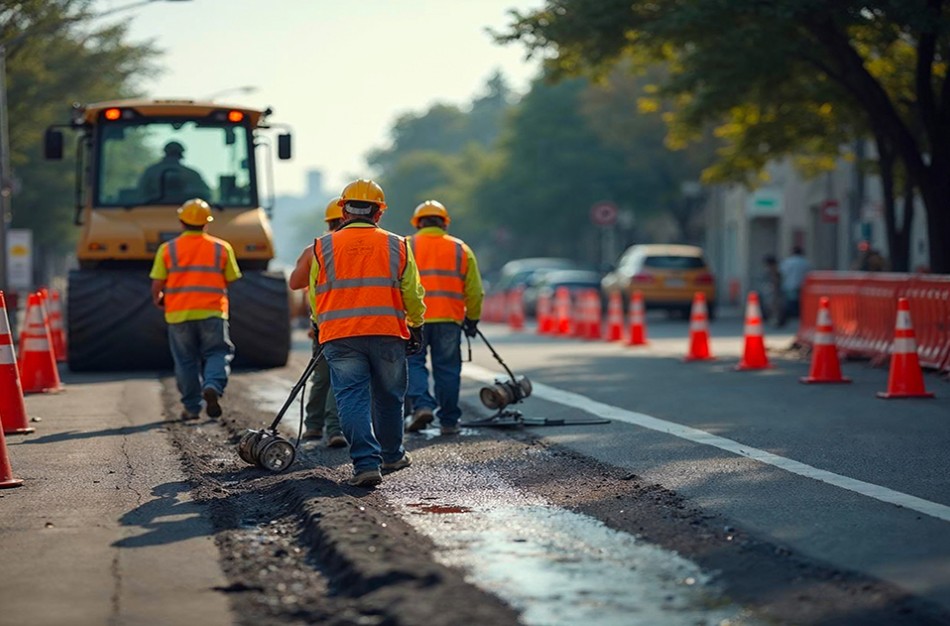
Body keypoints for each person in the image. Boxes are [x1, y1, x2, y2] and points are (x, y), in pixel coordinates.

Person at [307, 179, 426, 488]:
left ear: (343, 210)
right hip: (387, 332)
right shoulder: (397, 244)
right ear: (379, 213)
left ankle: (365, 463)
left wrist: (319, 325)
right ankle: (391, 455)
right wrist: (416, 323)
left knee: (351, 398)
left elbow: (314, 294)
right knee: (389, 396)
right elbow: (411, 291)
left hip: (340, 335)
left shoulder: (323, 246)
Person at [150, 198, 241, 420]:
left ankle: (191, 408)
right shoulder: (221, 248)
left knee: (185, 360)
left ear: (182, 222)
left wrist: (158, 298)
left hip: (178, 314)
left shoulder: (167, 249)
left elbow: (157, 283)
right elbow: (230, 278)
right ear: (206, 223)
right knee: (217, 352)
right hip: (213, 312)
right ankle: (212, 386)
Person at [404, 200, 483, 436]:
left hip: (414, 319)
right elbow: (475, 290)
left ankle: (423, 406)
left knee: (413, 363)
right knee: (447, 369)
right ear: (445, 223)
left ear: (418, 223)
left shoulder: (406, 245)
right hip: (449, 319)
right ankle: (449, 421)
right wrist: (473, 318)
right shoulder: (461, 249)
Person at [288, 197, 347, 448]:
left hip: (322, 324)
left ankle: (313, 426)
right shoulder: (360, 247)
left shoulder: (316, 249)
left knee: (321, 377)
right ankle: (335, 429)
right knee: (342, 379)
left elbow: (296, 283)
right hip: (352, 325)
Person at [139, 141, 211, 204]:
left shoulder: (151, 172)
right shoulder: (192, 174)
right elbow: (205, 196)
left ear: (165, 153)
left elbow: (140, 194)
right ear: (181, 155)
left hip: (151, 213)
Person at [779, 245, 810, 320]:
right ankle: (799, 315)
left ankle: (791, 315)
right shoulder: (806, 262)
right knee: (800, 302)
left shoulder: (788, 262)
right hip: (802, 285)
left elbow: (782, 273)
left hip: (790, 285)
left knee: (790, 301)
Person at [761, 254, 786, 328]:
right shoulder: (774, 270)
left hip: (774, 291)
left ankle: (775, 319)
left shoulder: (774, 270)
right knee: (773, 306)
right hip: (772, 291)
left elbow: (776, 281)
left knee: (774, 306)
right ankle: (774, 319)